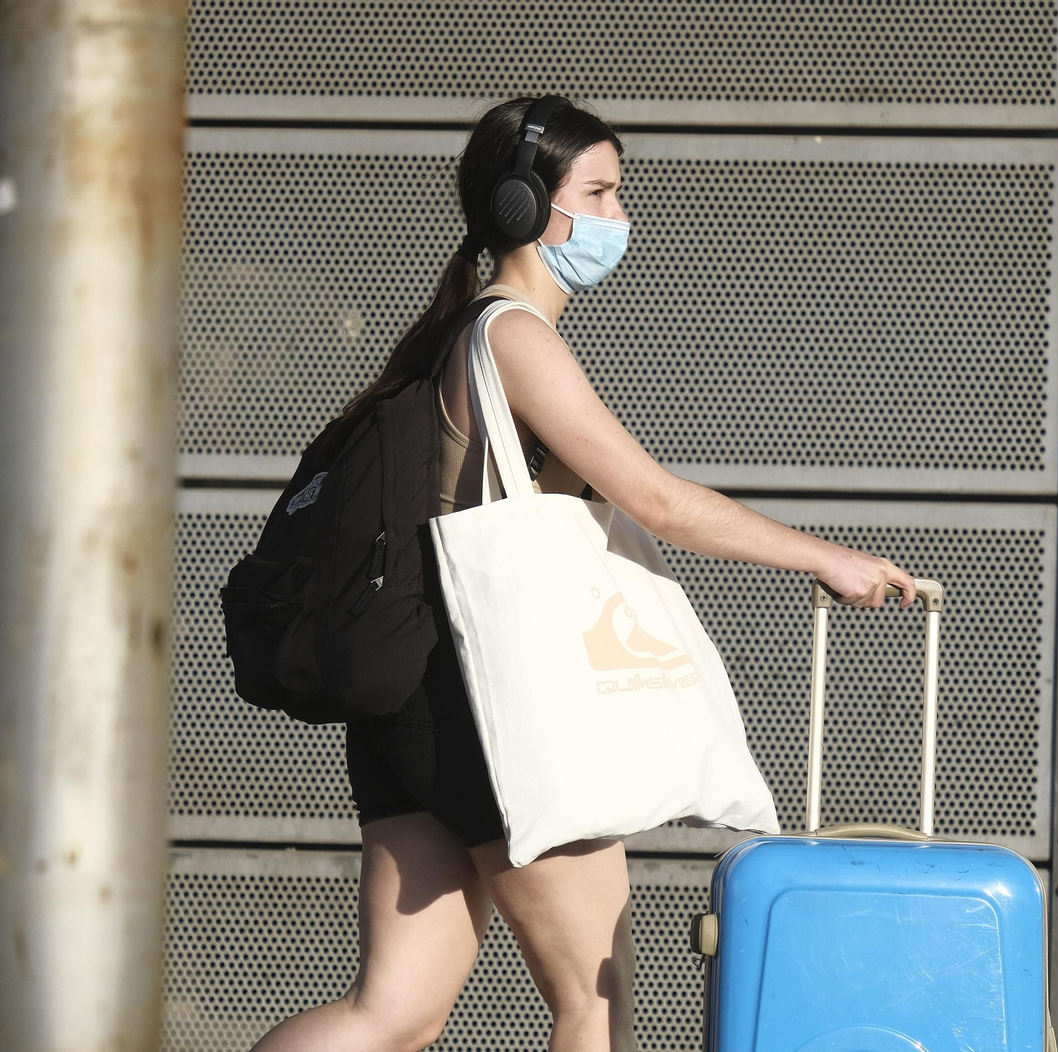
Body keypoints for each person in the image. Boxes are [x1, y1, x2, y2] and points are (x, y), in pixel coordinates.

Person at [247, 95, 918, 1052]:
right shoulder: (513, 335)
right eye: (597, 192)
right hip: (489, 709)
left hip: (412, 704)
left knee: (392, 1013)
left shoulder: (447, 340)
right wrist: (828, 558)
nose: (618, 214)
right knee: (589, 1005)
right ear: (524, 209)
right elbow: (655, 500)